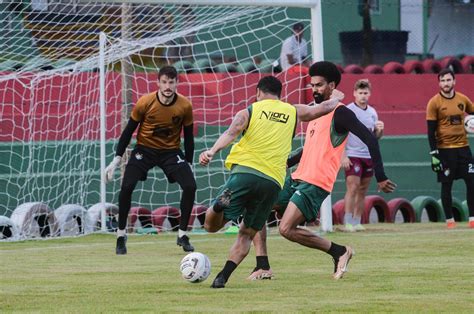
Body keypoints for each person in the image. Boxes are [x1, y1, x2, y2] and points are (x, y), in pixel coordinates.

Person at [248, 62, 397, 281]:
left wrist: (381, 176)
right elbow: (309, 148)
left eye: (319, 85)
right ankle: (262, 266)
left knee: (286, 229)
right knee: (256, 207)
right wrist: (285, 163)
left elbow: (370, 141)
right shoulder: (314, 112)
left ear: (332, 86)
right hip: (297, 177)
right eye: (312, 85)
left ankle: (340, 251)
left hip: (316, 182)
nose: (315, 89)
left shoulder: (341, 113)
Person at [199, 72, 344, 288]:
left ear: (258, 92)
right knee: (247, 233)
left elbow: (231, 132)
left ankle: (219, 207)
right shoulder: (292, 110)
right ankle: (222, 277)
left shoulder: (251, 110)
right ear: (279, 94)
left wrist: (212, 151)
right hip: (272, 182)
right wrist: (336, 97)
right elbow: (321, 109)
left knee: (211, 226)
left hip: (244, 173)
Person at [104, 65, 197, 254]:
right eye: (164, 82)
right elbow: (128, 131)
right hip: (144, 150)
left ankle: (182, 235)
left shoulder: (185, 105)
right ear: (158, 83)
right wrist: (116, 159)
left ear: (177, 83)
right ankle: (121, 235)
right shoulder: (145, 102)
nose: (168, 86)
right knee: (127, 187)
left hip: (171, 152)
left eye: (171, 82)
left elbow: (188, 137)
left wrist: (189, 163)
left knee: (190, 186)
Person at [426, 68, 474, 229]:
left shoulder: (463, 99)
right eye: (442, 80)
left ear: (454, 81)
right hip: (445, 151)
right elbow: (430, 132)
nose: (445, 83)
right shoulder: (434, 103)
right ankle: (450, 221)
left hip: (464, 149)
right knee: (447, 185)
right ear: (439, 83)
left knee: (472, 182)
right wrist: (434, 154)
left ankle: (472, 219)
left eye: (448, 80)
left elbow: (472, 112)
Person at [341, 79, 384, 232]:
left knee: (363, 189)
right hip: (352, 154)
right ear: (354, 94)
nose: (363, 96)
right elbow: (341, 134)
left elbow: (375, 137)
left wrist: (380, 131)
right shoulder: (348, 110)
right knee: (352, 187)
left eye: (365, 93)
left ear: (369, 94)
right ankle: (347, 222)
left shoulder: (372, 112)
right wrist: (343, 155)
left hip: (368, 156)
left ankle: (357, 221)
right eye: (360, 93)